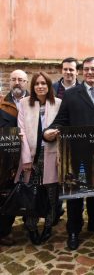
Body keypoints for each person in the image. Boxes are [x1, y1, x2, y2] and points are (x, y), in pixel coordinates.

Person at [43, 57, 94, 250]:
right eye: (86, 69)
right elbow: (61, 120)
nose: (90, 72)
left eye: (93, 69)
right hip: (76, 154)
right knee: (75, 194)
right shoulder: (71, 94)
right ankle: (73, 230)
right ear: (82, 72)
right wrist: (48, 132)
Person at [15, 72, 62, 245]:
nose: (40, 86)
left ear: (49, 86)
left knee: (51, 195)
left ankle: (48, 226)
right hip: (31, 157)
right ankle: (32, 227)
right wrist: (26, 158)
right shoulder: (24, 103)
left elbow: (62, 128)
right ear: (32, 86)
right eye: (37, 83)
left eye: (44, 83)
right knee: (30, 194)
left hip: (51, 156)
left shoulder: (58, 104)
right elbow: (21, 132)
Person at [0, 69, 29, 246]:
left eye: (21, 79)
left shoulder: (34, 102)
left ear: (26, 82)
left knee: (29, 188)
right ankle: (4, 230)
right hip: (7, 157)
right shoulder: (2, 104)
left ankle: (30, 221)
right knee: (6, 192)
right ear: (9, 82)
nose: (17, 82)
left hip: (29, 155)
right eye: (14, 79)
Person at [52, 57, 81, 225]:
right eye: (65, 69)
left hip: (76, 143)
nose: (68, 72)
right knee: (55, 181)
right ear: (61, 70)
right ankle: (55, 212)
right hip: (56, 139)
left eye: (72, 69)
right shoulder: (52, 89)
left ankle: (75, 214)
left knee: (74, 180)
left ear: (77, 71)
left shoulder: (82, 89)